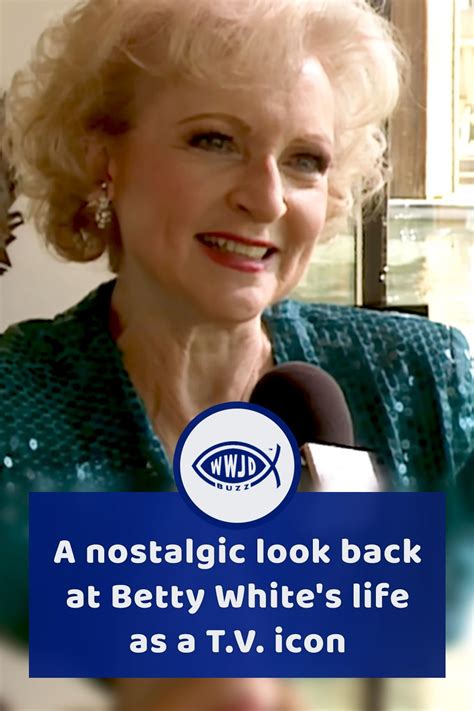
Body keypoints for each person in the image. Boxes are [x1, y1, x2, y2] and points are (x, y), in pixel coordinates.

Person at [0, 0, 472, 708]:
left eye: (305, 160)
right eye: (215, 140)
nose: (267, 198)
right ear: (105, 160)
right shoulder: (13, 408)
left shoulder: (425, 379)